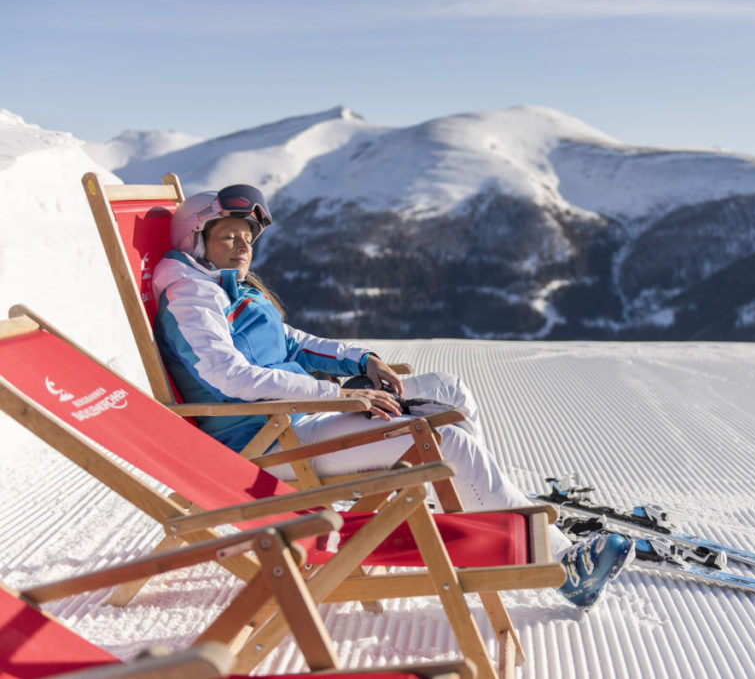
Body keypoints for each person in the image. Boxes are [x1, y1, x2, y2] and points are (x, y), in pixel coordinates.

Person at [152, 184, 633, 608]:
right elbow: (228, 376)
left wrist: (362, 362)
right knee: (448, 444)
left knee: (447, 389)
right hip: (267, 441)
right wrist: (335, 395)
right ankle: (562, 567)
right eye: (229, 236)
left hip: (301, 416)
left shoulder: (230, 288)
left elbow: (292, 342)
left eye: (248, 238)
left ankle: (477, 505)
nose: (243, 247)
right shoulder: (192, 299)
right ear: (196, 240)